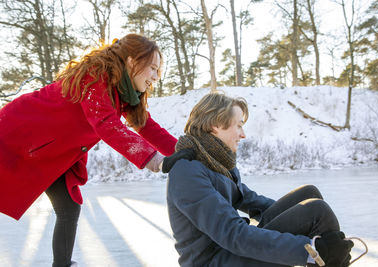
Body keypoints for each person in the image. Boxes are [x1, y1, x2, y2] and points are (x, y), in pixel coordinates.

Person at [0, 33, 180, 267]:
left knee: (69, 207)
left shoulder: (124, 94)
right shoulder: (95, 76)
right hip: (19, 132)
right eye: (153, 68)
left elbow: (147, 126)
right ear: (132, 61)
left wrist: (186, 151)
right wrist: (154, 159)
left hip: (56, 153)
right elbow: (106, 124)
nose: (157, 76)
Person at [166, 92, 354, 267]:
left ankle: (330, 258)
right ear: (215, 124)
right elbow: (233, 234)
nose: (243, 134)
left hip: (229, 251)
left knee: (308, 194)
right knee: (317, 211)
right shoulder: (188, 171)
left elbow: (248, 199)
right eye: (238, 125)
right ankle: (326, 259)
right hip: (215, 261)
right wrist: (311, 249)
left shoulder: (215, 160)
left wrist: (295, 214)